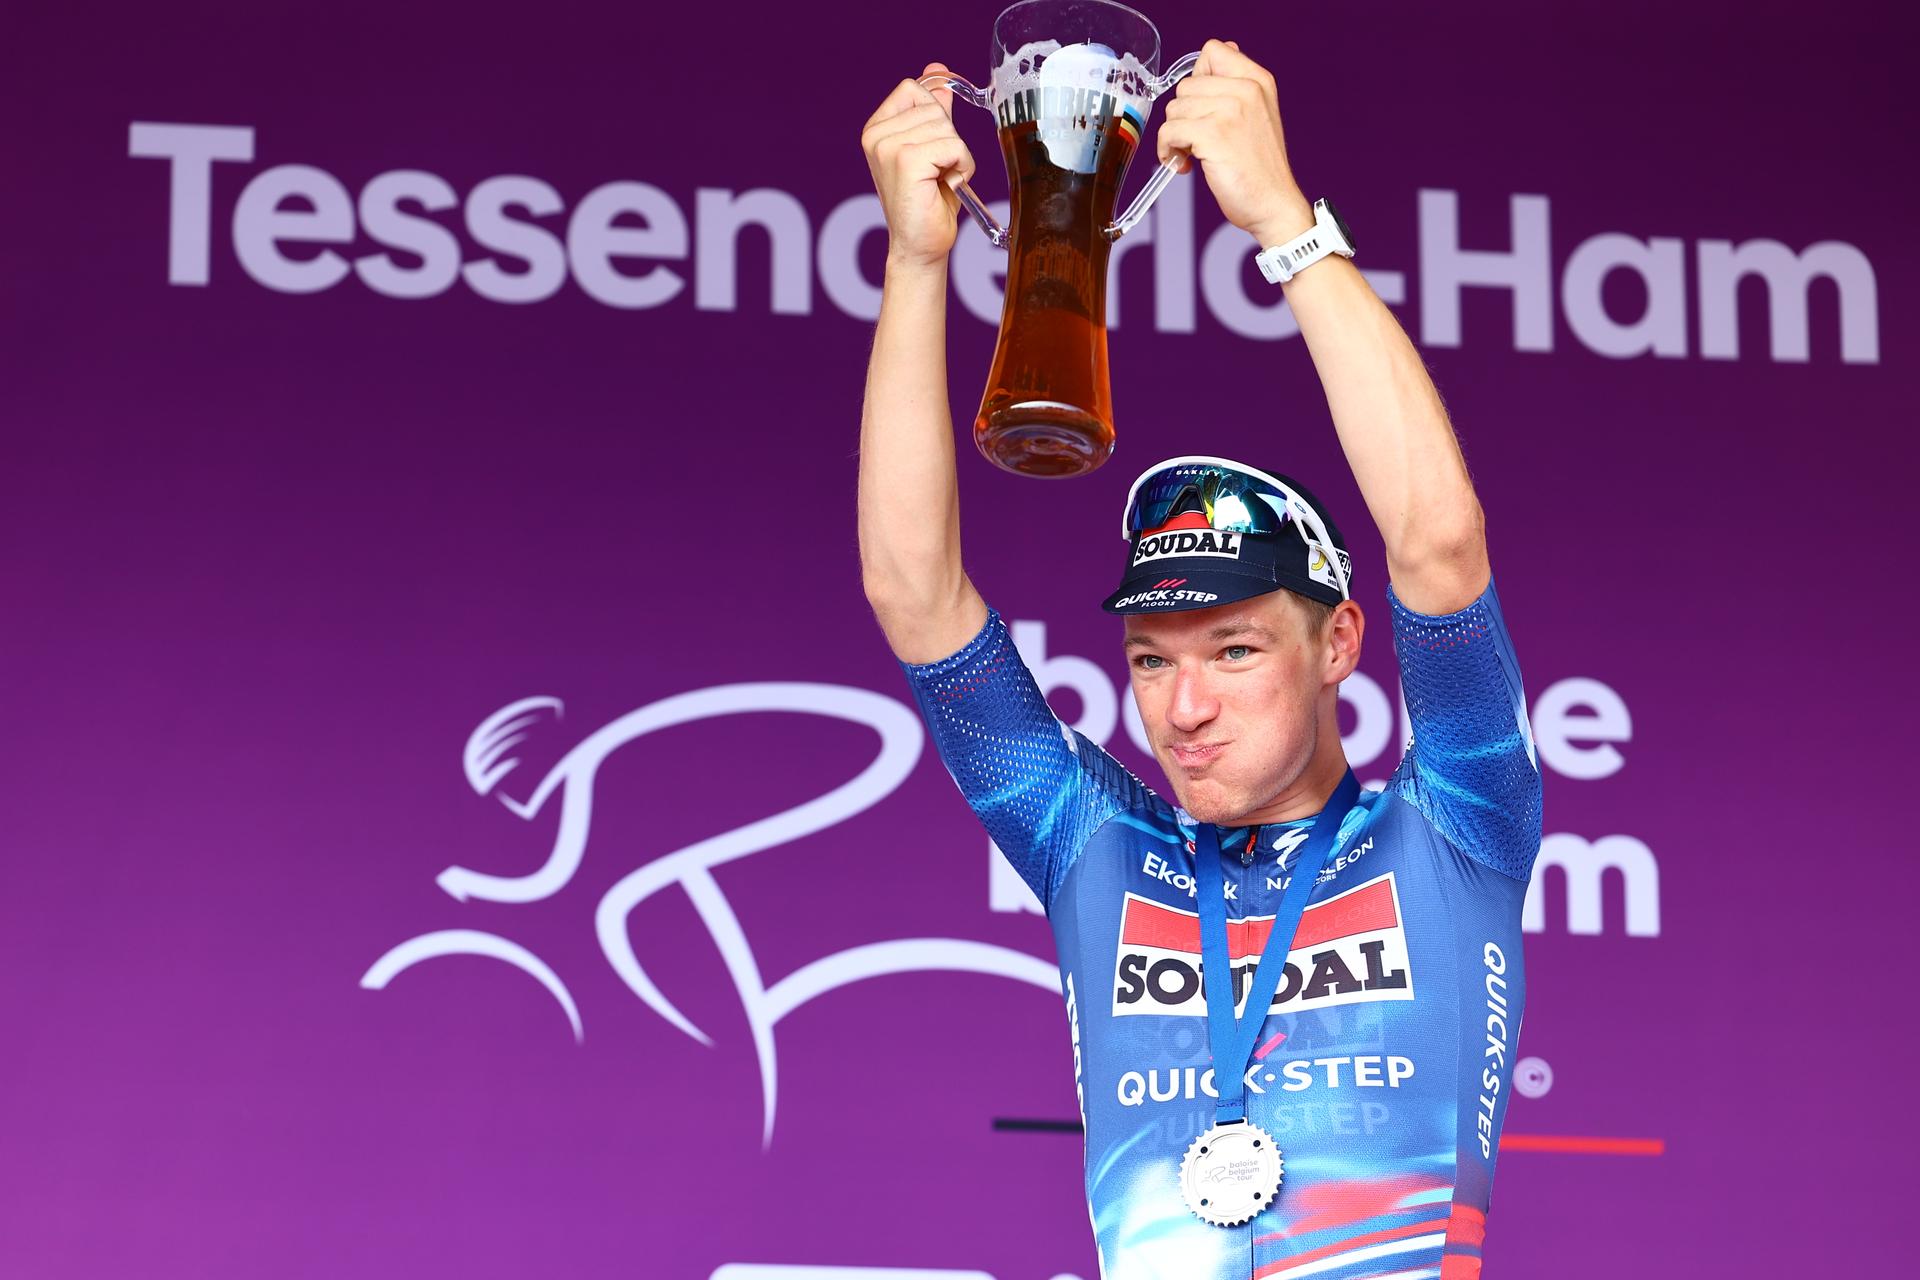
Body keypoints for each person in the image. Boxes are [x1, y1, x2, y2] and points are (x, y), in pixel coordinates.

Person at [858, 38, 1543, 1280]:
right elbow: (917, 597)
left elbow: (1439, 546)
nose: (1185, 705)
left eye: (1234, 647)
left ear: (1341, 640)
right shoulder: (1093, 842)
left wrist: (1285, 221)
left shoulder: (1458, 827)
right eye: (1150, 657)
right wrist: (917, 263)